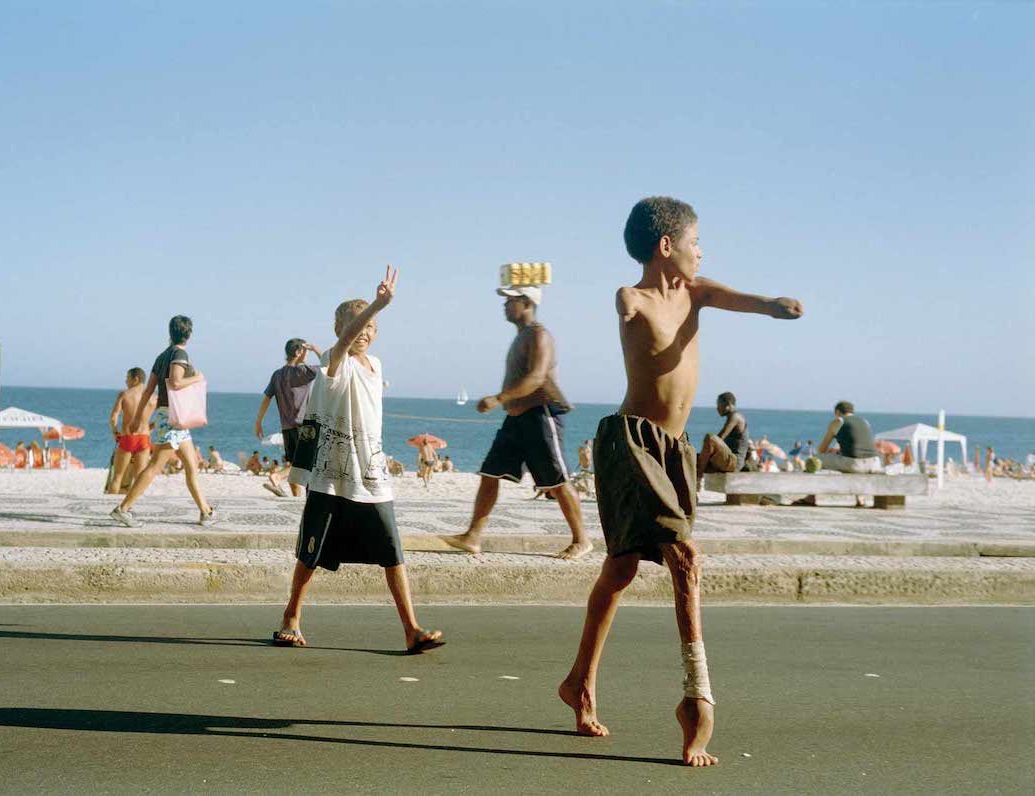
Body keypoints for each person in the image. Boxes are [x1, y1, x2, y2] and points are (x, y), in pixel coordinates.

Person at [558, 196, 802, 767]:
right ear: (667, 246)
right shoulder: (633, 298)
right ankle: (698, 700)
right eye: (696, 242)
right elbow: (624, 304)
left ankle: (578, 683)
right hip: (631, 440)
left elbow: (742, 298)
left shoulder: (697, 292)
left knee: (619, 570)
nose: (702, 251)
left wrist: (774, 306)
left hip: (674, 450)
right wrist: (625, 310)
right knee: (684, 556)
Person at [274, 266, 444, 654]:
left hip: (371, 475)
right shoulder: (335, 362)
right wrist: (379, 305)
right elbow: (348, 341)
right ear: (339, 330)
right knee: (310, 553)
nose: (363, 332)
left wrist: (376, 310)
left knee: (392, 551)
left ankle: (411, 629)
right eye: (355, 325)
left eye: (370, 327)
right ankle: (290, 618)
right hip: (331, 475)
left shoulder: (376, 365)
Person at [442, 284, 592, 560]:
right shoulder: (521, 336)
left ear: (526, 303)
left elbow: (536, 378)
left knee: (557, 480)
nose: (504, 306)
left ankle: (582, 540)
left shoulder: (539, 335)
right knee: (491, 473)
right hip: (517, 419)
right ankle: (473, 536)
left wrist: (498, 398)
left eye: (510, 301)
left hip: (540, 416)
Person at [110, 315, 217, 528]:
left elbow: (149, 390)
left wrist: (139, 419)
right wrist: (198, 378)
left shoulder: (161, 357)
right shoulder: (180, 353)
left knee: (191, 466)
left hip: (171, 418)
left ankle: (205, 511)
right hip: (173, 418)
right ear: (188, 334)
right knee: (155, 465)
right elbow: (176, 383)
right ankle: (123, 509)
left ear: (170, 332)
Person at [257, 338, 323, 497]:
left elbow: (267, 398)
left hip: (286, 428)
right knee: (306, 463)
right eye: (304, 351)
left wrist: (258, 421)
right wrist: (315, 349)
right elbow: (329, 366)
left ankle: (296, 497)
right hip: (303, 426)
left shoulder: (277, 374)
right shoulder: (303, 371)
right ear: (299, 352)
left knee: (293, 464)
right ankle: (277, 476)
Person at [793, 401, 880, 507]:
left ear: (837, 412)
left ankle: (811, 497)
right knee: (851, 463)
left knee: (816, 459)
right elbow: (859, 446)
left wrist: (827, 451)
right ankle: (860, 498)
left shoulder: (839, 421)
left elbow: (822, 449)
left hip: (854, 464)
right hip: (875, 463)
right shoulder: (865, 421)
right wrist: (838, 452)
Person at [106, 368, 154, 494]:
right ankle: (134, 506)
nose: (126, 381)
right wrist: (149, 428)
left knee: (117, 477)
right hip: (144, 438)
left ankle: (108, 506)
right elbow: (162, 419)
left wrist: (115, 431)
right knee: (139, 478)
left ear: (135, 379)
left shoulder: (125, 394)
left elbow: (113, 417)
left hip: (128, 437)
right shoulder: (153, 397)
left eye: (127, 378)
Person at [694, 392, 749, 488]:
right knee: (691, 457)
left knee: (710, 437)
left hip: (734, 463)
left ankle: (698, 477)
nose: (717, 408)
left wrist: (705, 455)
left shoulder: (735, 416)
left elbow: (720, 438)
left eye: (718, 404)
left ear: (728, 404)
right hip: (726, 461)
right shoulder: (732, 417)